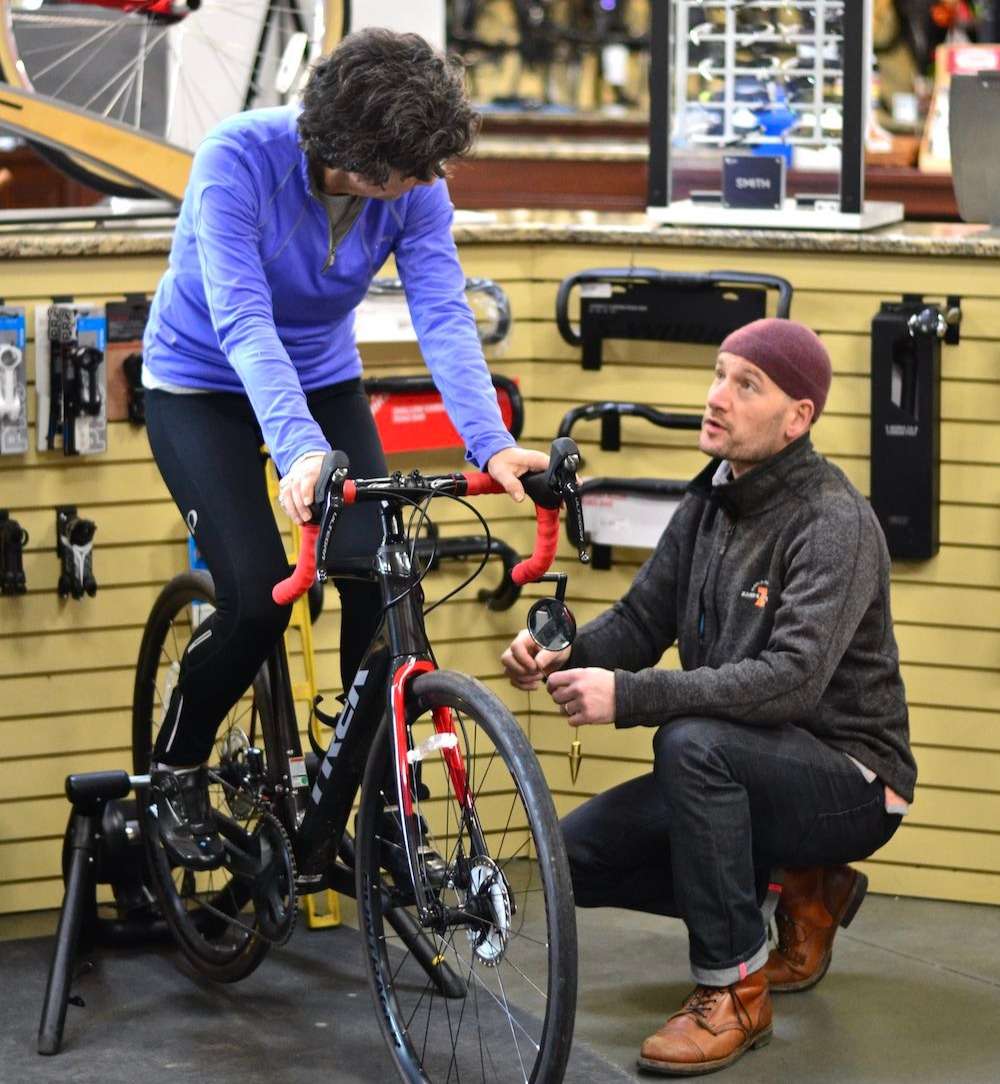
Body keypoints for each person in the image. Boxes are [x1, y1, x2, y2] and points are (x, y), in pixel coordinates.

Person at [142, 28, 547, 871]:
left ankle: (374, 792)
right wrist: (298, 451)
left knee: (379, 574)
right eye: (407, 174)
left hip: (323, 380)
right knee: (257, 600)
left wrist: (491, 444)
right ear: (354, 160)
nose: (424, 187)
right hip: (200, 383)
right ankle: (174, 768)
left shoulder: (415, 182)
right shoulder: (236, 160)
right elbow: (243, 319)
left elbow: (442, 311)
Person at [502, 318, 917, 1076]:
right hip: (743, 761)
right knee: (571, 859)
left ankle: (735, 992)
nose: (717, 396)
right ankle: (797, 890)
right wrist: (565, 650)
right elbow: (642, 620)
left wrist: (628, 696)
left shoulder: (834, 521)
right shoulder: (712, 498)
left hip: (851, 779)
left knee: (691, 743)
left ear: (798, 418)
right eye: (719, 374)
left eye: (746, 384)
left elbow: (791, 680)